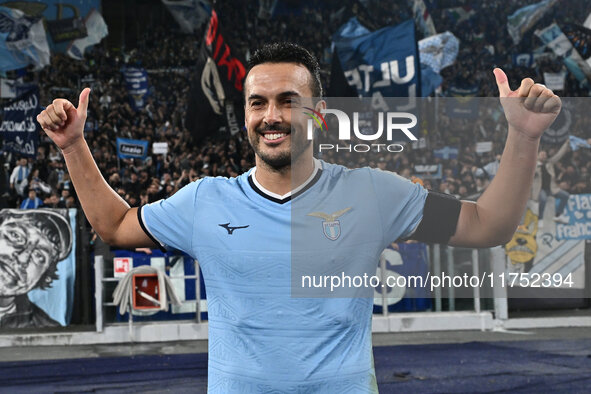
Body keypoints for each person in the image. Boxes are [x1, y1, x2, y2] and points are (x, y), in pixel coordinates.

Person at [37, 42, 561, 393]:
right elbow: (115, 226)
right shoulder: (204, 201)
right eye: (258, 102)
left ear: (319, 114)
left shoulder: (372, 192)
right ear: (244, 114)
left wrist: (524, 136)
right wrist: (74, 145)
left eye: (289, 100)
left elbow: (488, 225)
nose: (271, 116)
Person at [0, 209, 72, 328]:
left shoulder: (44, 330)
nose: (23, 259)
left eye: (39, 256)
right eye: (15, 235)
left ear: (45, 276)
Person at [533, 139, 571, 227]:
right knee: (543, 199)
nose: (543, 156)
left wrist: (566, 144)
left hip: (552, 189)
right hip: (540, 189)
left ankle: (558, 215)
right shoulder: (534, 165)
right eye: (541, 154)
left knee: (565, 195)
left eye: (545, 155)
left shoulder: (549, 163)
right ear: (538, 156)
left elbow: (559, 155)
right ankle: (540, 218)